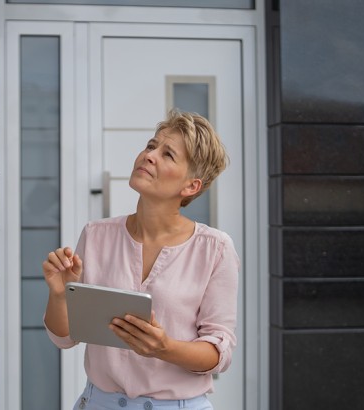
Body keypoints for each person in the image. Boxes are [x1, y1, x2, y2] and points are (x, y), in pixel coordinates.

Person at [42, 109, 239, 410]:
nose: (150, 155)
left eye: (168, 154)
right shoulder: (96, 235)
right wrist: (59, 294)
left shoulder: (215, 248)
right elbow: (65, 338)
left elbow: (218, 353)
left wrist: (165, 348)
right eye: (151, 145)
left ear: (190, 186)